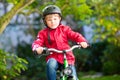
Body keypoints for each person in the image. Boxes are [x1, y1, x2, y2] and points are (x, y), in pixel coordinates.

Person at [32, 5, 88, 80]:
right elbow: (38, 42)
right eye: (49, 20)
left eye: (55, 19)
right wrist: (37, 48)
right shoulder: (43, 33)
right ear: (45, 21)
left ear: (59, 19)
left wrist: (82, 41)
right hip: (53, 57)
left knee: (73, 77)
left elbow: (75, 35)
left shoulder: (65, 29)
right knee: (50, 64)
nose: (53, 22)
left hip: (67, 57)